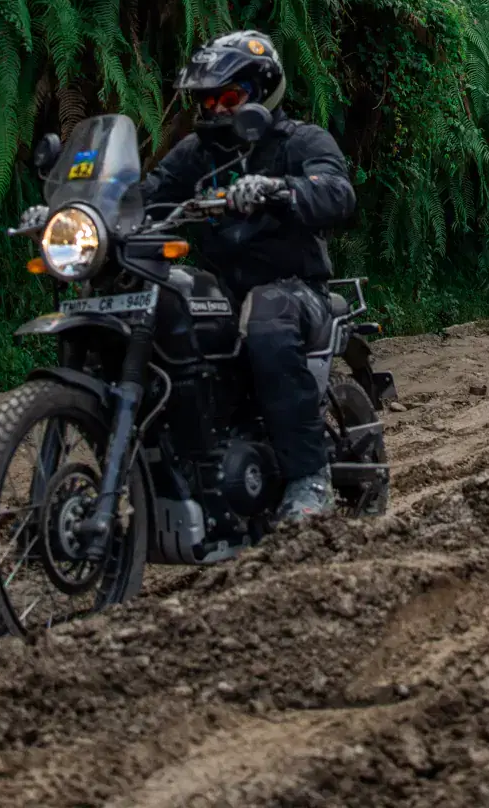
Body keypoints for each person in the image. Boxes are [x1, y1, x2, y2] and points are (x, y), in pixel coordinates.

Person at [142, 30, 356, 522]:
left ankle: (309, 477)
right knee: (161, 302)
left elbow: (337, 191)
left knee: (267, 316)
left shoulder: (300, 141)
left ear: (261, 94)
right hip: (223, 288)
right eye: (208, 100)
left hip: (296, 289)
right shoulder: (195, 154)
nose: (216, 110)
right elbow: (147, 193)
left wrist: (280, 188)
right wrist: (83, 210)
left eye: (229, 98)